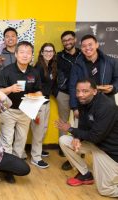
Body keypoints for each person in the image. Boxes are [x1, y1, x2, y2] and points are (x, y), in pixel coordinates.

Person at [56, 78, 118, 198]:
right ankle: (85, 175)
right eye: (78, 91)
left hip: (110, 153)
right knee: (64, 141)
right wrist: (77, 137)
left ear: (95, 91)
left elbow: (95, 137)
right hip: (97, 145)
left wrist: (71, 130)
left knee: (105, 190)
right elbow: (83, 124)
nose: (80, 95)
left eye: (85, 91)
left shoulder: (106, 106)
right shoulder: (84, 101)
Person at [0, 41, 41, 182]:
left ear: (31, 55)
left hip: (26, 111)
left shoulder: (34, 72)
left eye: (28, 52)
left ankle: (14, 167)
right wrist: (10, 89)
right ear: (16, 54)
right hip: (8, 110)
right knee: (6, 141)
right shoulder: (7, 70)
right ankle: (6, 170)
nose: (25, 55)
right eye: (21, 52)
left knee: (21, 141)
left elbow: (39, 90)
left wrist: (35, 96)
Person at [69, 34, 118, 116]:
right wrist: (75, 107)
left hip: (106, 103)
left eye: (90, 44)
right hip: (84, 105)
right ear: (81, 48)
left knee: (107, 128)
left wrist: (113, 88)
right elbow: (72, 86)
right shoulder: (77, 65)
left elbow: (117, 79)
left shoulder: (110, 61)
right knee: (84, 128)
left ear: (97, 45)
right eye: (84, 46)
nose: (87, 48)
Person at [57, 30, 81, 170]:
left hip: (80, 93)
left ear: (75, 40)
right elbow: (53, 72)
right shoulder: (59, 56)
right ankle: (63, 146)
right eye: (64, 40)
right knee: (63, 120)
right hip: (64, 92)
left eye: (69, 39)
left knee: (79, 121)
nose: (67, 42)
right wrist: (57, 91)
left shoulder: (82, 55)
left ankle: (79, 146)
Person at [30, 43, 57, 169]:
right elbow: (35, 87)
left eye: (51, 51)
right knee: (38, 131)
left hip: (46, 102)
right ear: (41, 52)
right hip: (37, 103)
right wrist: (34, 110)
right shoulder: (38, 67)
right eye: (46, 51)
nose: (48, 53)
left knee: (43, 128)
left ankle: (38, 150)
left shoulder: (51, 66)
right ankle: (35, 157)